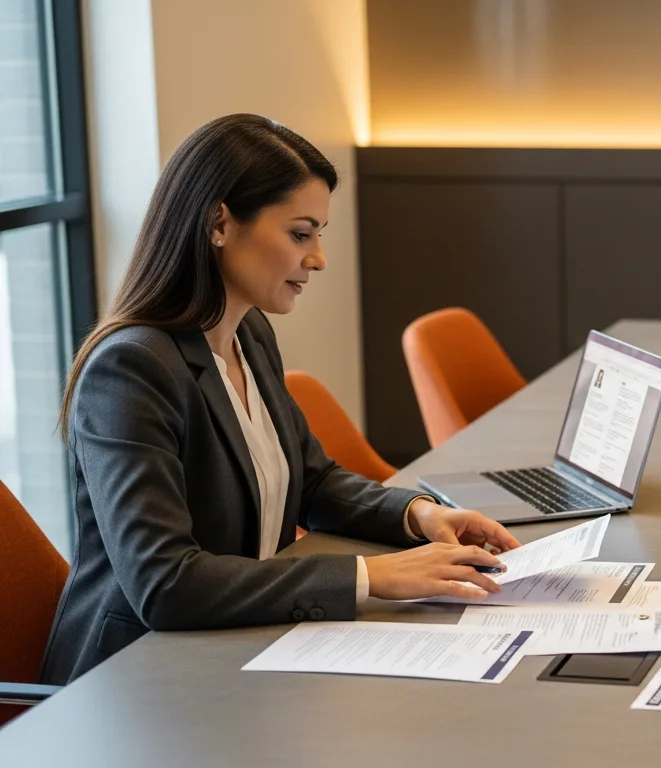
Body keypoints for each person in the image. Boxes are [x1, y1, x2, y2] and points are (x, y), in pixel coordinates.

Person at [41, 115, 522, 685]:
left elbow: (311, 482)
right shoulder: (131, 369)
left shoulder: (248, 333)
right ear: (218, 222)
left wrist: (419, 515)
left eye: (318, 234)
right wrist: (371, 577)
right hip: (132, 680)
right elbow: (164, 583)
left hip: (235, 648)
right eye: (300, 233)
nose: (318, 258)